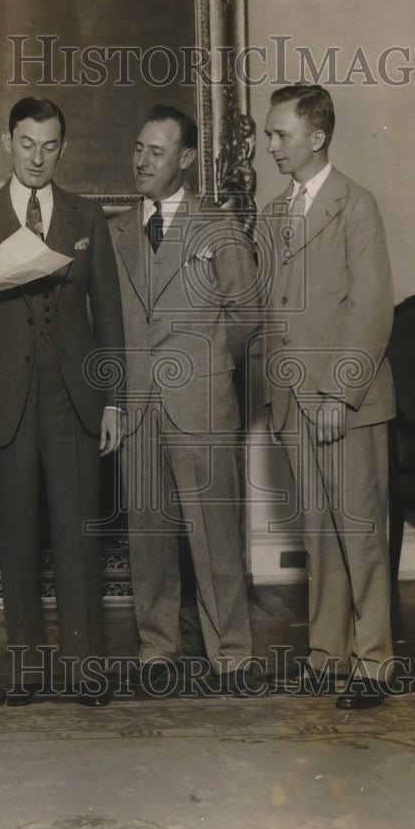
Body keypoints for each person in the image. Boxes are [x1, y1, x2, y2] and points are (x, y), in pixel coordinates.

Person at [0, 96, 124, 707]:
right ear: (7, 142)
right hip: (5, 404)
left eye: (50, 146)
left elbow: (108, 317)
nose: (37, 157)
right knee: (17, 538)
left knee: (78, 538)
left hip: (74, 399)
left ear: (63, 149)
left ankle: (85, 671)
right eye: (27, 143)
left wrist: (113, 401)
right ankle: (25, 670)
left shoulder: (87, 217)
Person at [108, 105, 260, 695]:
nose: (143, 161)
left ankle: (233, 656)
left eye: (157, 152)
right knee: (147, 535)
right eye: (139, 149)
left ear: (187, 160)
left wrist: (206, 362)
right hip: (138, 403)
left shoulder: (219, 228)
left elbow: (246, 315)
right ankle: (157, 650)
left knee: (214, 532)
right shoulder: (116, 229)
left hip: (201, 402)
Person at [259, 84, 395, 709]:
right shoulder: (270, 213)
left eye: (280, 134)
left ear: (316, 137)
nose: (271, 145)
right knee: (319, 535)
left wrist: (340, 397)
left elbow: (371, 309)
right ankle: (325, 654)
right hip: (292, 404)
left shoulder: (356, 205)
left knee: (360, 534)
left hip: (345, 404)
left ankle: (374, 664)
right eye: (269, 133)